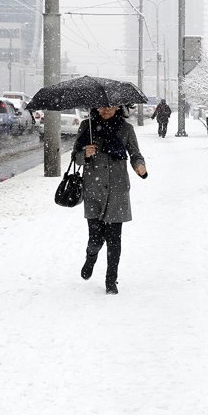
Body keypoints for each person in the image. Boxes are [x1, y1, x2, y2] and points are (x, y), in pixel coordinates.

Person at [73, 105, 147, 295]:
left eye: (110, 107)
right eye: (102, 107)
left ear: (118, 107)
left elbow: (135, 154)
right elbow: (75, 157)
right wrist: (84, 154)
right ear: (95, 107)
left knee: (114, 240)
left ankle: (111, 280)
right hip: (94, 189)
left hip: (117, 190)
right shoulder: (86, 127)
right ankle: (91, 257)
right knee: (95, 239)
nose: (105, 110)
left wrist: (140, 166)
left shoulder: (126, 129)